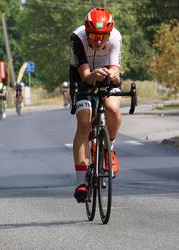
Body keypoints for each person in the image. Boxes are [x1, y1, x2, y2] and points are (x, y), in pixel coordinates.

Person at [69, 7, 122, 203]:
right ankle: (82, 182)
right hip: (81, 75)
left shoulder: (115, 36)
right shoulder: (77, 38)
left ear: (109, 33)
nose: (99, 41)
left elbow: (116, 70)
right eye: (93, 35)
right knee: (84, 122)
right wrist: (92, 75)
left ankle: (110, 148)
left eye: (103, 36)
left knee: (113, 108)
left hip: (106, 71)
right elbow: (85, 76)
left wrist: (114, 75)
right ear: (86, 31)